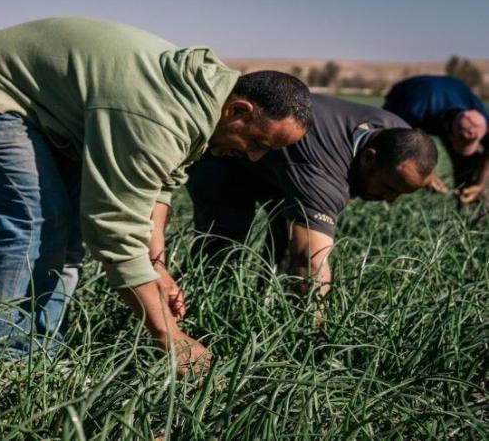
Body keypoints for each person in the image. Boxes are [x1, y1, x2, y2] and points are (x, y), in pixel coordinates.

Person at [0, 17, 312, 372]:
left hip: (51, 113)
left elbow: (160, 188)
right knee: (40, 225)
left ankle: (36, 355)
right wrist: (170, 338)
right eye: (256, 143)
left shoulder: (205, 100)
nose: (254, 157)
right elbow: (114, 232)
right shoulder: (160, 118)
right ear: (239, 111)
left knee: (68, 235)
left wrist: (156, 266)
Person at [187, 94, 437, 299]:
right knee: (223, 243)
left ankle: (263, 301)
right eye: (389, 188)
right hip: (225, 156)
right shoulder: (322, 174)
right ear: (368, 157)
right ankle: (201, 302)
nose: (389, 200)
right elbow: (311, 261)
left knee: (285, 243)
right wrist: (315, 337)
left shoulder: (401, 139)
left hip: (284, 167)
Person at [383, 75, 488, 207]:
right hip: (408, 96)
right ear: (450, 136)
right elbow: (388, 137)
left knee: (468, 166)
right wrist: (426, 176)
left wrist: (479, 183)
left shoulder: (478, 117)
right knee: (389, 157)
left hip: (454, 89)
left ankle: (468, 207)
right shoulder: (415, 110)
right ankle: (383, 200)